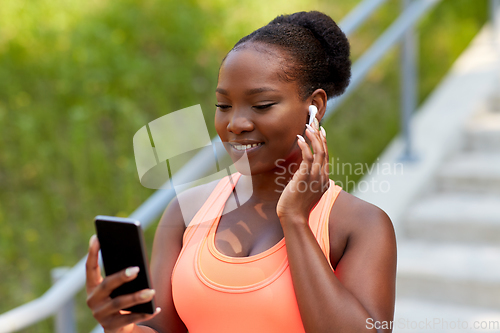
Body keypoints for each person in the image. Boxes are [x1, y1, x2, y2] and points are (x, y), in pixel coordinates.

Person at [86, 10, 397, 333]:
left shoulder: (359, 225)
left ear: (314, 107)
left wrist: (295, 220)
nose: (236, 123)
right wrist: (121, 327)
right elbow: (162, 329)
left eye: (261, 105)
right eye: (223, 106)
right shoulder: (186, 211)